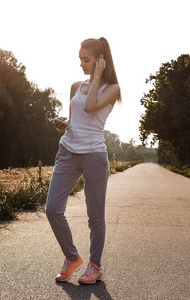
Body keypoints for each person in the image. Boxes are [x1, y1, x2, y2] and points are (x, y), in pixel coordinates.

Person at [45, 37, 120, 285]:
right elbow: (75, 118)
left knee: (95, 216)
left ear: (100, 60)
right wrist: (63, 125)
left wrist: (97, 74)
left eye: (86, 60)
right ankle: (72, 257)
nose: (81, 64)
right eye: (80, 59)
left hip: (94, 157)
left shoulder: (112, 88)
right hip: (67, 152)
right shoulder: (75, 85)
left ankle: (94, 266)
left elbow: (90, 108)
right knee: (53, 209)